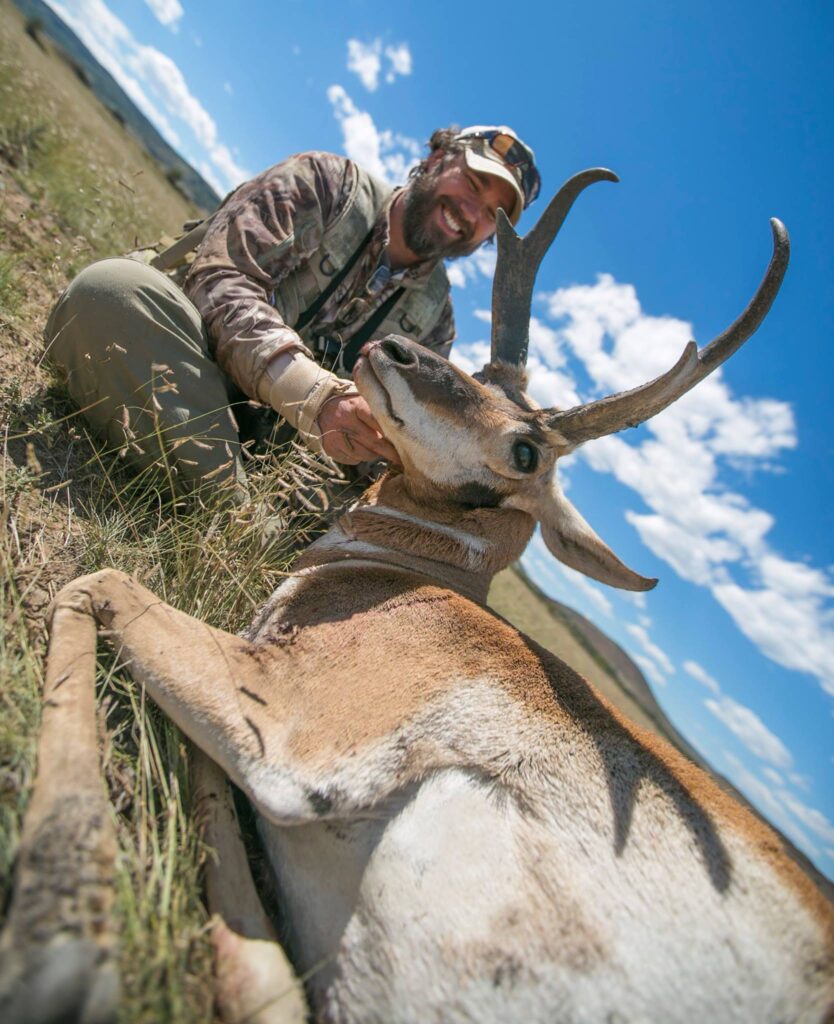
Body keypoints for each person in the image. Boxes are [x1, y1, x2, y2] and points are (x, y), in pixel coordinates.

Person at [45, 125, 540, 504]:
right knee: (109, 293)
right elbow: (220, 280)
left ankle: (222, 499)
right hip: (187, 366)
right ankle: (235, 516)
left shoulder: (436, 323)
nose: (471, 214)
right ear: (436, 157)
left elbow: (395, 444)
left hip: (276, 456)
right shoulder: (328, 185)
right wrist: (317, 398)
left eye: (492, 216)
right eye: (474, 185)